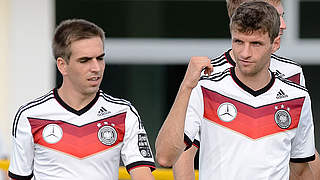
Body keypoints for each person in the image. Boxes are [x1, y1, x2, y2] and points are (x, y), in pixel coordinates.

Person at [156, 1, 315, 179]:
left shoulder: (296, 91)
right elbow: (166, 157)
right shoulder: (206, 84)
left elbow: (302, 165)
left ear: (274, 43)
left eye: (255, 43)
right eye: (238, 41)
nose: (245, 53)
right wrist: (186, 86)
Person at [8, 19, 156, 180]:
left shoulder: (124, 113)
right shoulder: (30, 115)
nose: (96, 68)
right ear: (62, 65)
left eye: (100, 58)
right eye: (85, 60)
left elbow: (143, 176)